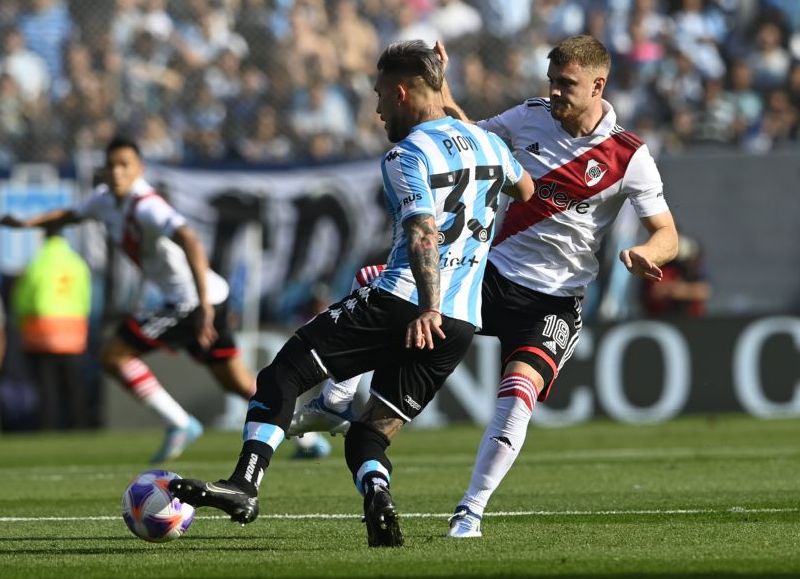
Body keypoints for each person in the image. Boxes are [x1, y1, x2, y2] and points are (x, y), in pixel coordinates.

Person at [289, 35, 679, 538]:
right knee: (387, 286)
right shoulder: (530, 115)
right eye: (552, 81)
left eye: (567, 85)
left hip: (554, 302)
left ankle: (470, 511)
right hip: (487, 277)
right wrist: (443, 82)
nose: (555, 92)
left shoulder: (629, 156)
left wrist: (650, 253)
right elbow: (468, 136)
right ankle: (339, 398)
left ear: (598, 85)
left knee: (517, 394)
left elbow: (666, 231)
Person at [168, 39, 534, 548]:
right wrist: (452, 105)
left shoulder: (406, 154)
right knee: (369, 432)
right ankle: (378, 494)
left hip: (406, 302)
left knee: (285, 372)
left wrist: (426, 304)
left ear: (403, 93)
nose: (378, 109)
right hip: (460, 323)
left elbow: (423, 232)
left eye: (381, 95)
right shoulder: (490, 145)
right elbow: (526, 191)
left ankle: (244, 483)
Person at [2, 137, 257, 461]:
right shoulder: (104, 200)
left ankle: (180, 424)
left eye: (125, 165)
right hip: (205, 297)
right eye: (111, 165)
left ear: (139, 169)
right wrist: (27, 223)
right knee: (235, 383)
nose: (117, 171)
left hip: (192, 301)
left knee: (113, 355)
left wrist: (204, 304)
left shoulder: (147, 205)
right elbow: (69, 214)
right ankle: (306, 439)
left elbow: (190, 238)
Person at [10, 226, 91, 430]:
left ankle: (49, 427)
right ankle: (80, 426)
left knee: (47, 386)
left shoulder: (37, 263)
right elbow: (85, 297)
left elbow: (24, 299)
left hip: (42, 330)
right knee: (73, 384)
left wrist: (20, 322)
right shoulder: (77, 263)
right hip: (73, 330)